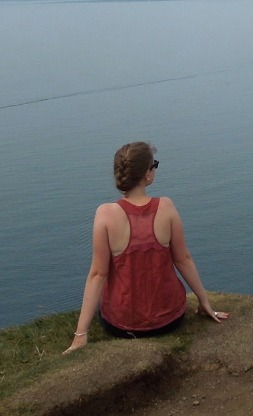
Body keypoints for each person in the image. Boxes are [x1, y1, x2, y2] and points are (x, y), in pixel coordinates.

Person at [64, 141, 229, 354]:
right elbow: (183, 259)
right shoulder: (166, 207)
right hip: (169, 319)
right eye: (154, 165)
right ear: (147, 175)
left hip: (120, 325)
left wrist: (80, 334)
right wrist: (204, 301)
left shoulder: (105, 214)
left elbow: (98, 274)